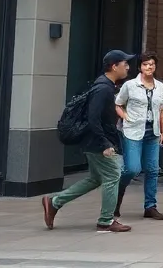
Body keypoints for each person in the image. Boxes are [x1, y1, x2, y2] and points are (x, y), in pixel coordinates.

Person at [41, 50, 134, 232]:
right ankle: (106, 220)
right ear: (114, 66)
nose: (128, 67)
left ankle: (54, 202)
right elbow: (93, 118)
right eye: (125, 64)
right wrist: (105, 144)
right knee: (113, 176)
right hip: (98, 142)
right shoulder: (103, 89)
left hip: (95, 141)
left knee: (95, 178)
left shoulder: (106, 86)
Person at [115, 52, 163, 221]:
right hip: (133, 131)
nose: (149, 67)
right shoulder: (130, 85)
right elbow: (118, 104)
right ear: (140, 67)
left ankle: (150, 206)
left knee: (152, 170)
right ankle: (115, 199)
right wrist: (125, 117)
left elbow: (162, 110)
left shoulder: (161, 87)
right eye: (145, 64)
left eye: (152, 64)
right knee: (132, 168)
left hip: (152, 132)